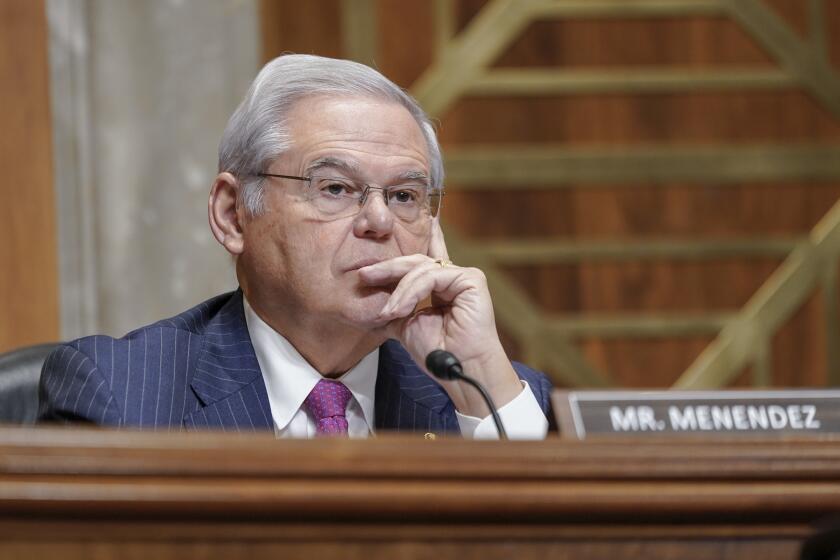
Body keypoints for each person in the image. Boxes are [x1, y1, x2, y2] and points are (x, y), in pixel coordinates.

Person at [39, 54, 552, 439]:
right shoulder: (122, 397)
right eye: (335, 188)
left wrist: (477, 381)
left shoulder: (498, 395)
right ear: (232, 214)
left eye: (403, 195)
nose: (378, 220)